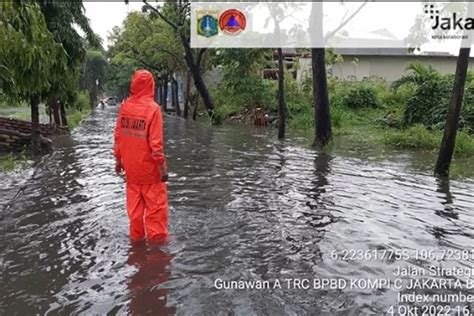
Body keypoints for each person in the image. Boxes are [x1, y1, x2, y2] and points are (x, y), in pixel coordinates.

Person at [114, 69, 169, 241]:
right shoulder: (153, 110)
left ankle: (137, 253)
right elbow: (156, 146)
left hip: (131, 172)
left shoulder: (125, 107)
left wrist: (118, 160)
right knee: (156, 216)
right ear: (150, 86)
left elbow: (118, 136)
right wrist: (163, 169)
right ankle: (157, 257)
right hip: (150, 174)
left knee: (135, 216)